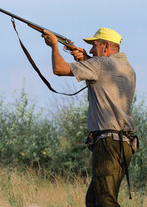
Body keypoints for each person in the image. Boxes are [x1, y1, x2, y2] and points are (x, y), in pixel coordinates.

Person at [42, 27, 136, 207]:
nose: (91, 50)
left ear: (106, 46)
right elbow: (105, 75)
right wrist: (85, 59)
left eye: (94, 45)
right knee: (93, 200)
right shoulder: (127, 69)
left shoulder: (99, 64)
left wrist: (54, 44)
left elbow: (59, 69)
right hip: (125, 144)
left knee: (104, 202)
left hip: (108, 143)